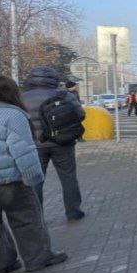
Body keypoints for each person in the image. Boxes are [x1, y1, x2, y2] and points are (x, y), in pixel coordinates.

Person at [0, 75, 68, 273]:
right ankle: (37, 258)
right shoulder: (13, 116)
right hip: (8, 181)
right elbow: (24, 152)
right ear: (10, 92)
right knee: (26, 219)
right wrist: (33, 178)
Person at [22, 66, 86, 221]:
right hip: (63, 143)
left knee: (36, 181)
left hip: (35, 145)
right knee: (68, 177)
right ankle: (73, 212)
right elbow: (81, 115)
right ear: (54, 79)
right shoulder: (64, 95)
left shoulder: (21, 97)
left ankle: (37, 216)